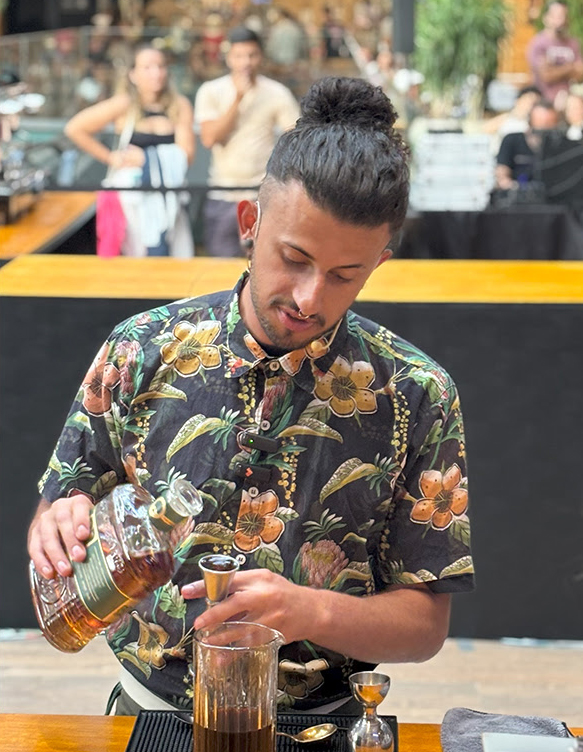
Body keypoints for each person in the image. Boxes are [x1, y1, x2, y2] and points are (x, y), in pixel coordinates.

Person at [28, 77, 474, 716]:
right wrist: (56, 528)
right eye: (294, 258)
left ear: (378, 263)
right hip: (150, 713)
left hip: (319, 728)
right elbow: (62, 504)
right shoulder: (142, 349)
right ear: (248, 223)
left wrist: (308, 610)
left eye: (344, 275)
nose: (309, 298)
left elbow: (425, 624)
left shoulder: (416, 393)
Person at [65, 43, 195, 257]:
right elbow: (75, 128)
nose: (156, 73)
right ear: (133, 74)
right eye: (147, 67)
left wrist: (146, 158)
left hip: (169, 199)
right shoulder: (124, 104)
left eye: (161, 66)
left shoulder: (180, 106)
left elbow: (186, 155)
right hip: (131, 202)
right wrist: (111, 157)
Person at [194, 26, 300, 257]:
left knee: (263, 263)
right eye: (239, 56)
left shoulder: (277, 92)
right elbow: (210, 138)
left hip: (261, 194)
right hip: (222, 193)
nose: (246, 62)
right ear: (229, 58)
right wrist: (238, 98)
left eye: (252, 55)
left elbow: (296, 138)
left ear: (260, 57)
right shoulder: (211, 90)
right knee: (220, 265)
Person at [526, 1, 583, 108]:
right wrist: (570, 67)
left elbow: (580, 74)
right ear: (546, 18)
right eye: (556, 16)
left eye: (564, 16)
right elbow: (546, 76)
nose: (561, 20)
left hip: (569, 102)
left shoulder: (573, 43)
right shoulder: (538, 43)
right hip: (544, 101)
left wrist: (554, 69)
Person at [495, 99, 559, 190]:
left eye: (549, 124)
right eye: (540, 122)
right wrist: (515, 187)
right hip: (518, 192)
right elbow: (502, 174)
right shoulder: (512, 140)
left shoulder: (559, 145)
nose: (544, 127)